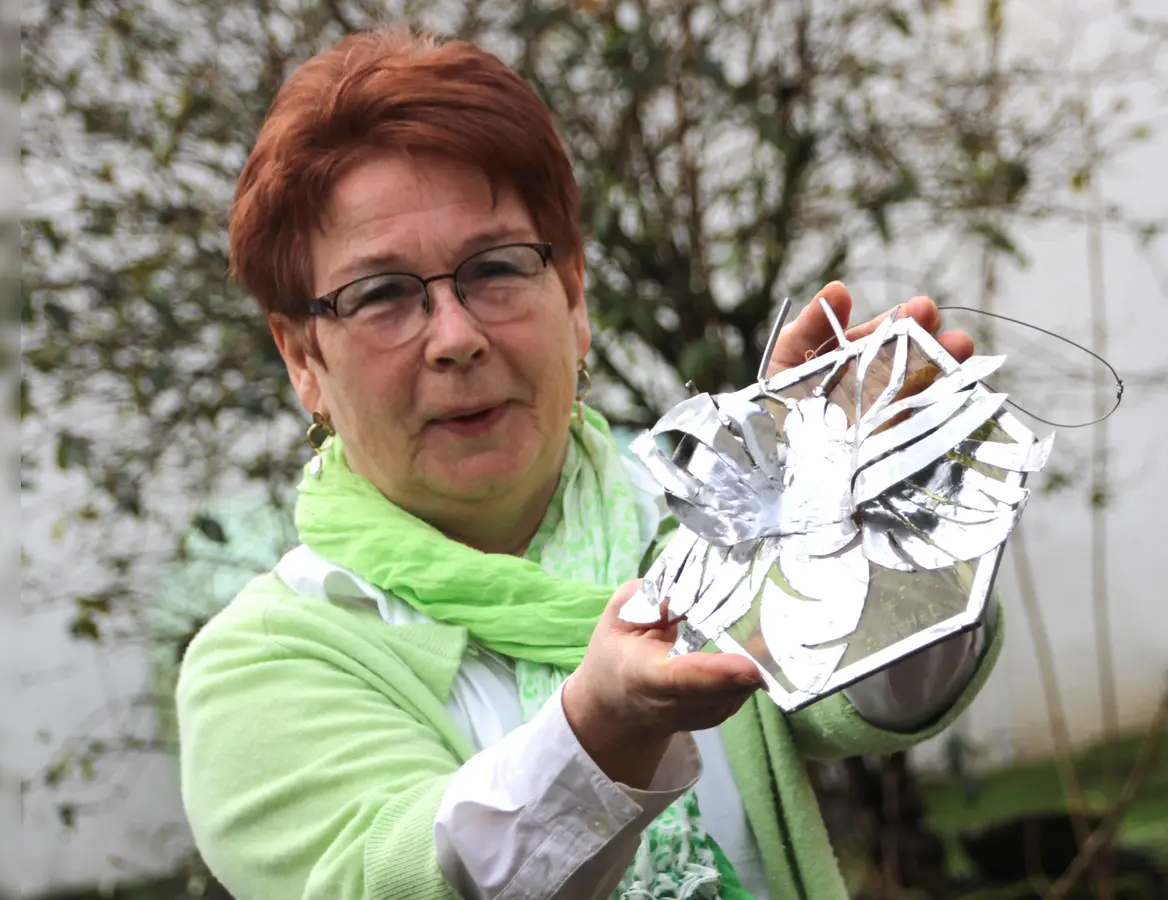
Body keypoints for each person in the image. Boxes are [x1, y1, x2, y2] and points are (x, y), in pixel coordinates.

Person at [175, 24, 1002, 900]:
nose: (455, 337)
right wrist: (600, 734)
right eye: (382, 294)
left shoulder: (703, 509)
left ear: (572, 296)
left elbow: (887, 699)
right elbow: (396, 881)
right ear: (304, 359)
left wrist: (873, 509)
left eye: (493, 268)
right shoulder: (263, 662)